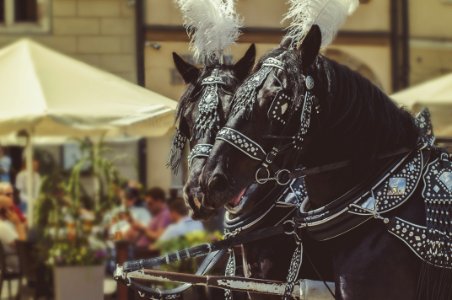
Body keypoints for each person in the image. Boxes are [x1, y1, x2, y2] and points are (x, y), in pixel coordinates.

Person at [0, 195, 27, 272]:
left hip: (15, 259)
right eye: (12, 208)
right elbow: (23, 246)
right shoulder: (2, 227)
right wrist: (18, 224)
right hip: (19, 261)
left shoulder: (6, 224)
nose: (15, 210)